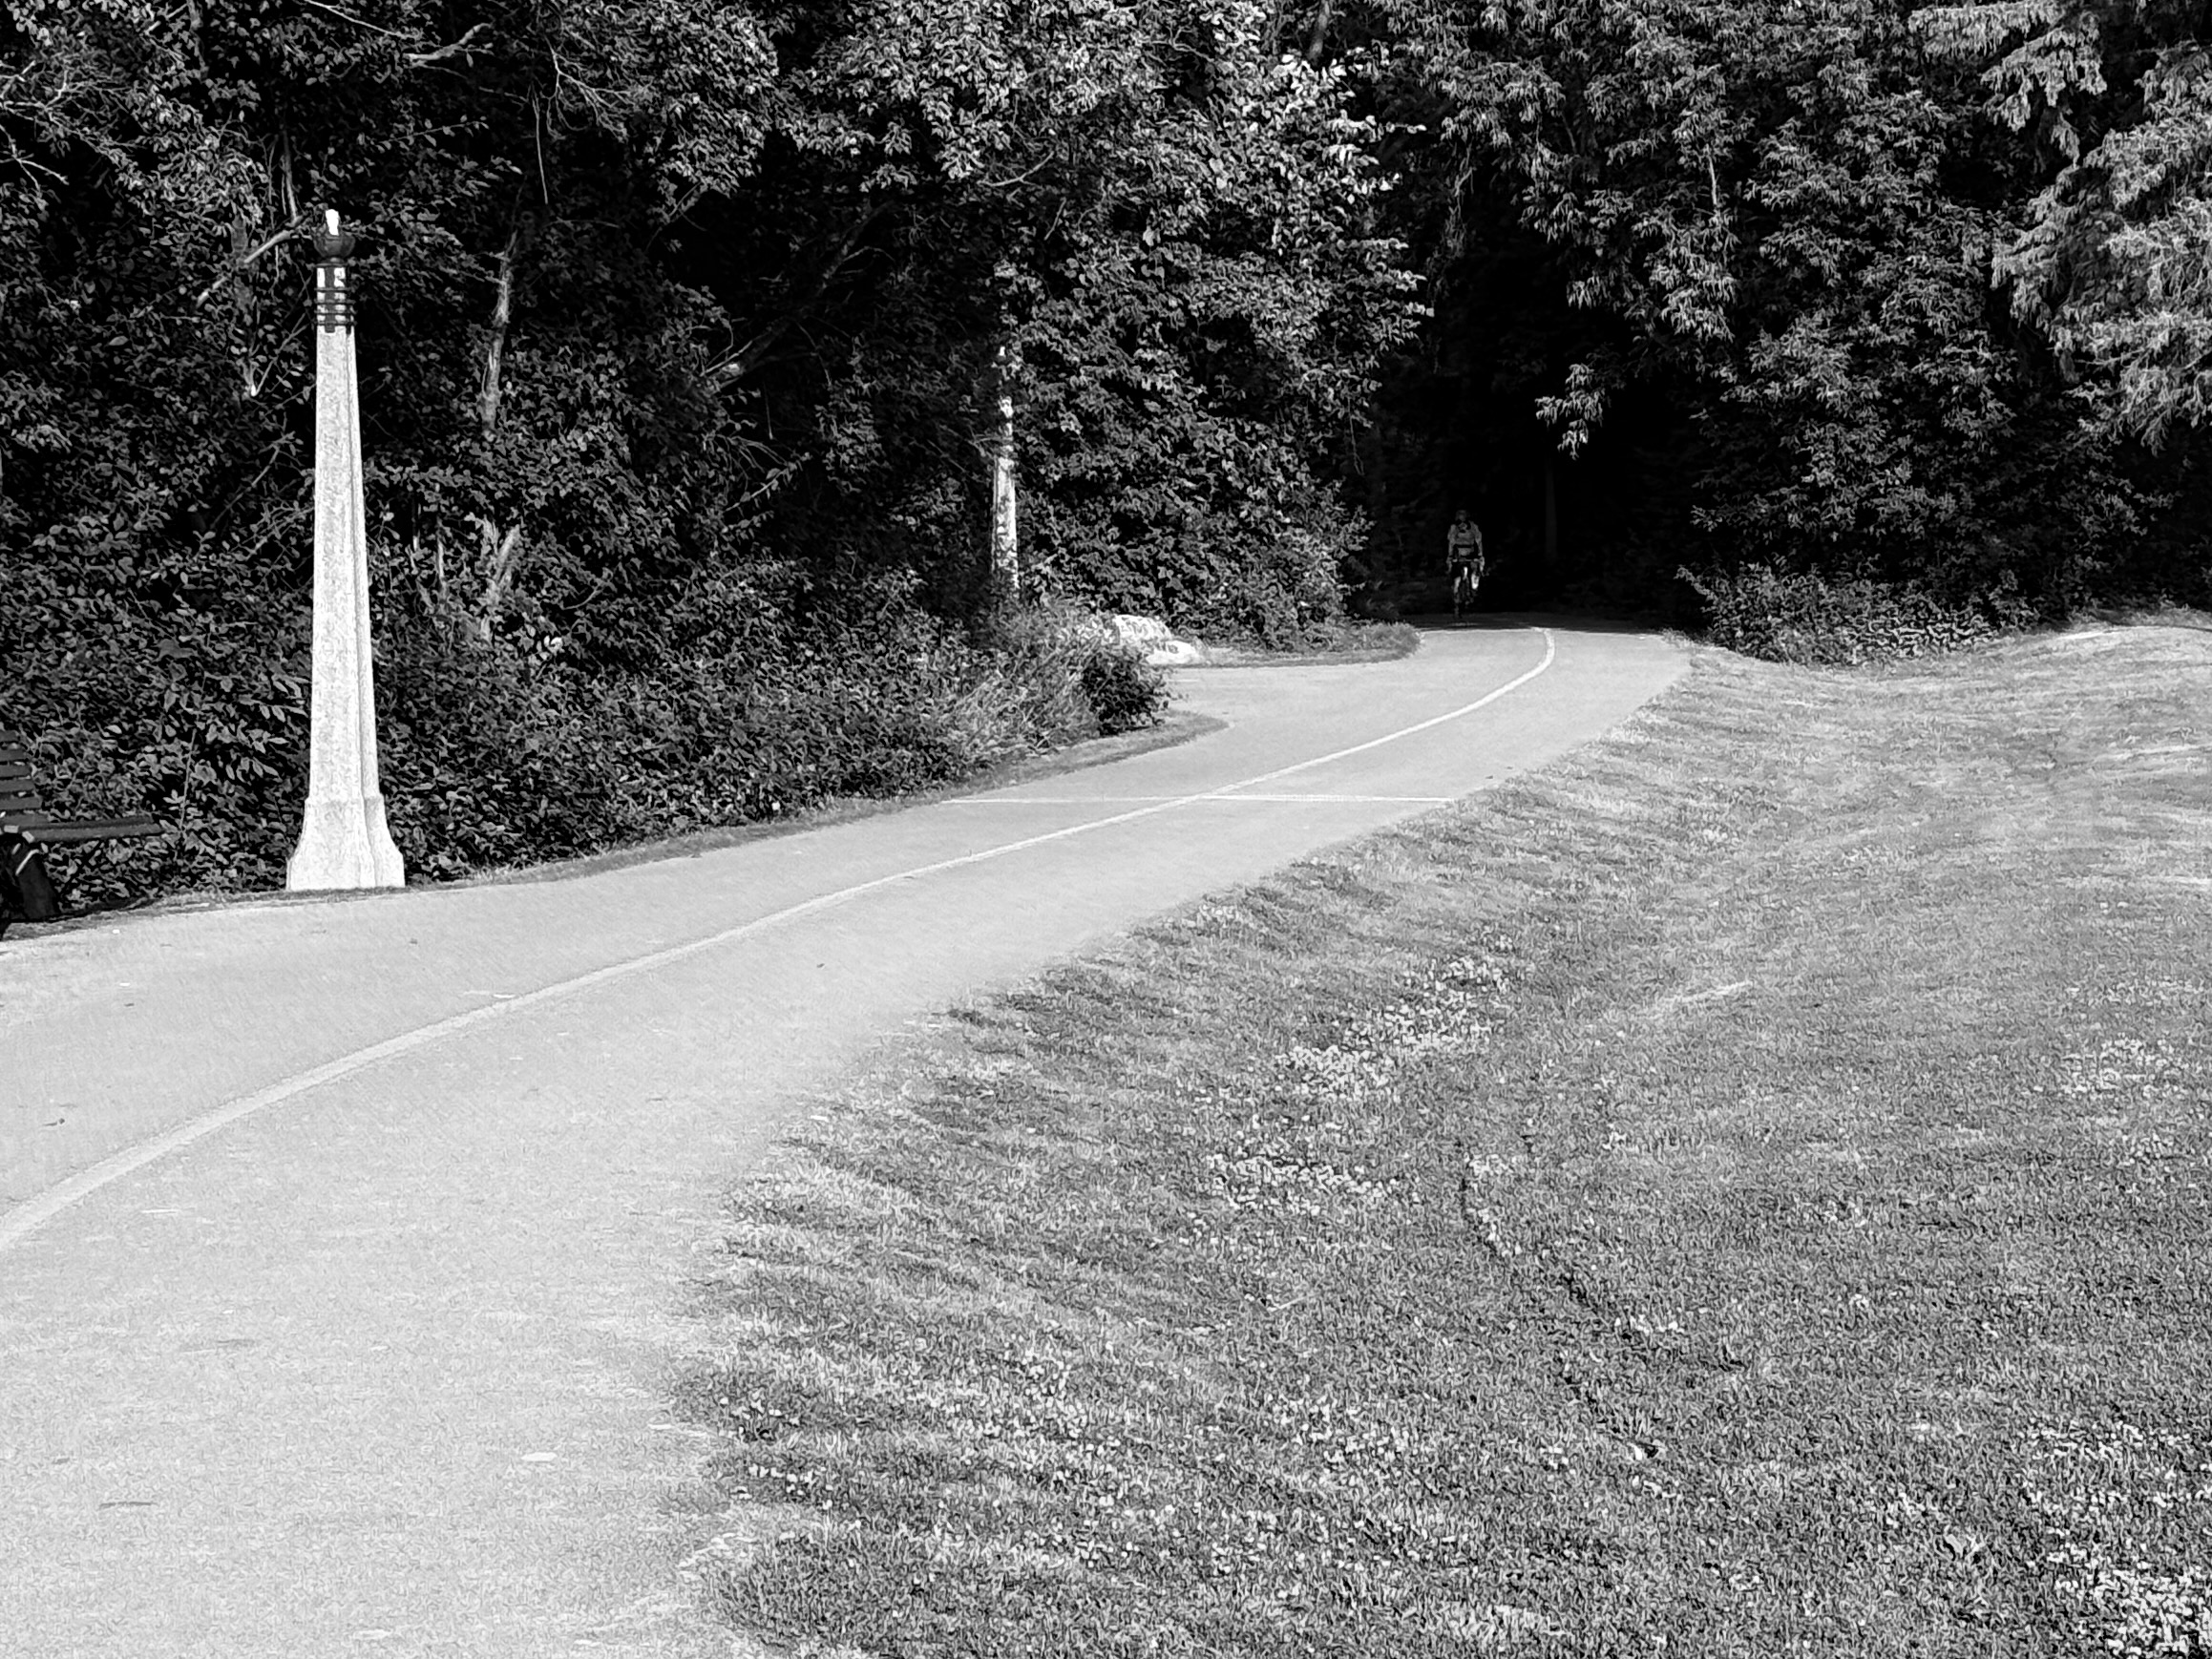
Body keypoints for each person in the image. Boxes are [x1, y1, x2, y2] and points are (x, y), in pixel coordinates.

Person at [1445, 508, 1485, 613]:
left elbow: (1478, 541)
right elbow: (1451, 543)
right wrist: (1450, 557)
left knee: (1475, 571)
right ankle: (1456, 594)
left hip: (1471, 554)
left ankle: (1473, 589)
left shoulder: (1473, 527)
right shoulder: (1454, 528)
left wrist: (1480, 556)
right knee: (1455, 575)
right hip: (1458, 555)